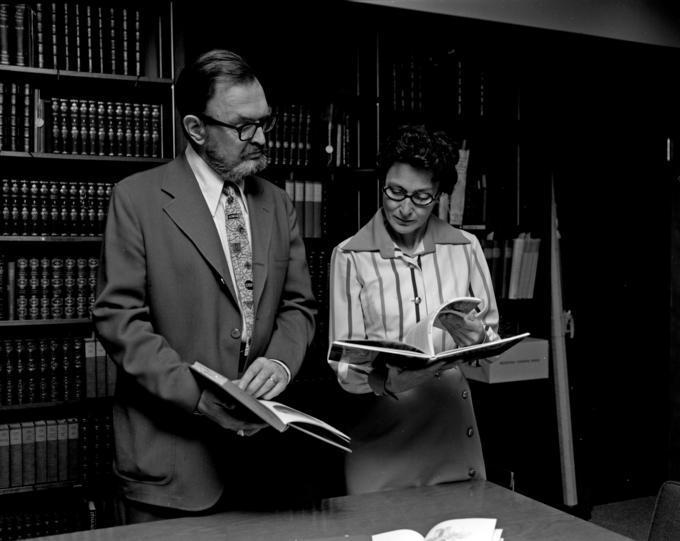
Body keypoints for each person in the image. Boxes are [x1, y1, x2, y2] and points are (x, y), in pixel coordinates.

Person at [92, 49, 316, 522]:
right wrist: (199, 398)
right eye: (243, 127)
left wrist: (279, 361)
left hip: (263, 464)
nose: (259, 138)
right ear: (196, 129)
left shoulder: (277, 202)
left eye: (265, 123)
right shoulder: (136, 198)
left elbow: (299, 306)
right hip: (172, 467)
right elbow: (119, 321)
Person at [328, 124, 499, 494]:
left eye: (422, 197)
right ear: (382, 183)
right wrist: (385, 380)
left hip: (452, 430)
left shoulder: (466, 247)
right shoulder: (350, 256)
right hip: (384, 432)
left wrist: (477, 338)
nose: (405, 208)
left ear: (438, 196)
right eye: (396, 192)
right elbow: (343, 363)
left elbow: (490, 343)